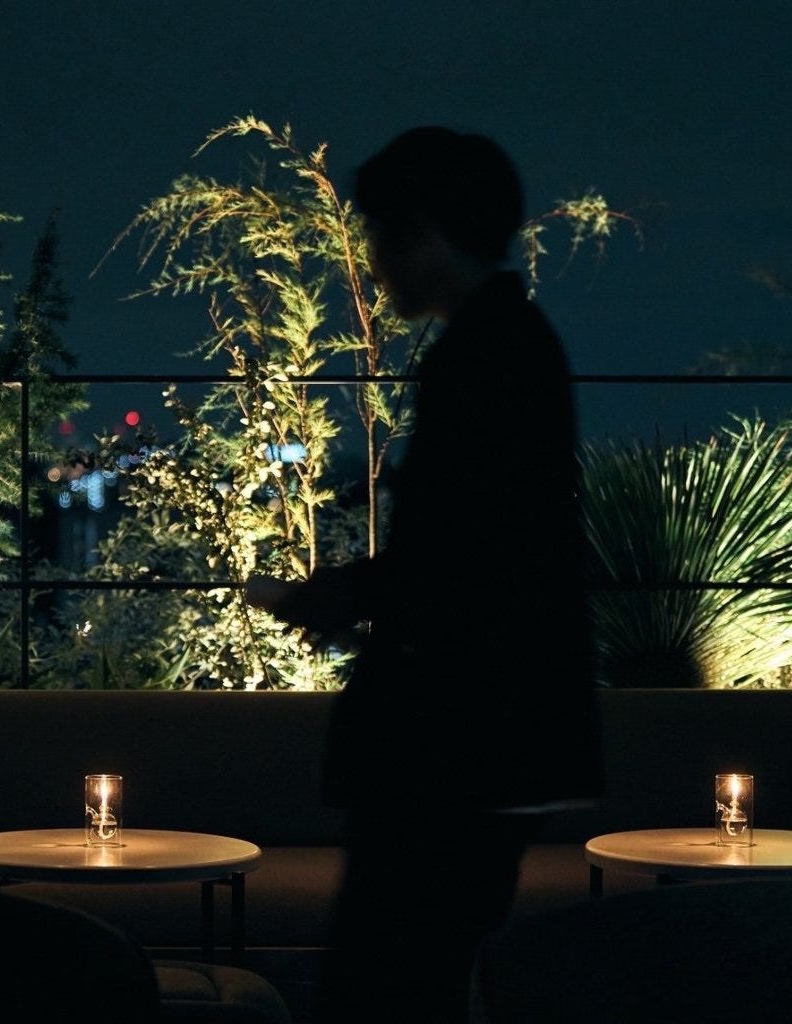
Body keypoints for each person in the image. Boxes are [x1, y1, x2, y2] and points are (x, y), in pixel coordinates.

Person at [246, 126, 602, 1024]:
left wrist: (344, 594)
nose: (371, 262)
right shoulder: (512, 342)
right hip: (494, 739)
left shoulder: (483, 357)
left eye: (378, 234)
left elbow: (469, 553)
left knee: (387, 985)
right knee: (419, 980)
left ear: (424, 232)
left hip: (457, 746)